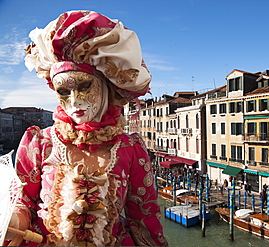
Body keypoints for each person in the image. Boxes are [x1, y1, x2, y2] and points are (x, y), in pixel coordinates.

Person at [5, 11, 168, 246]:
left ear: (106, 86)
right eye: (63, 91)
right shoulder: (40, 143)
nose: (74, 100)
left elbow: (144, 220)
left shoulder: (130, 148)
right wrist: (15, 222)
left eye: (84, 86)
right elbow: (24, 201)